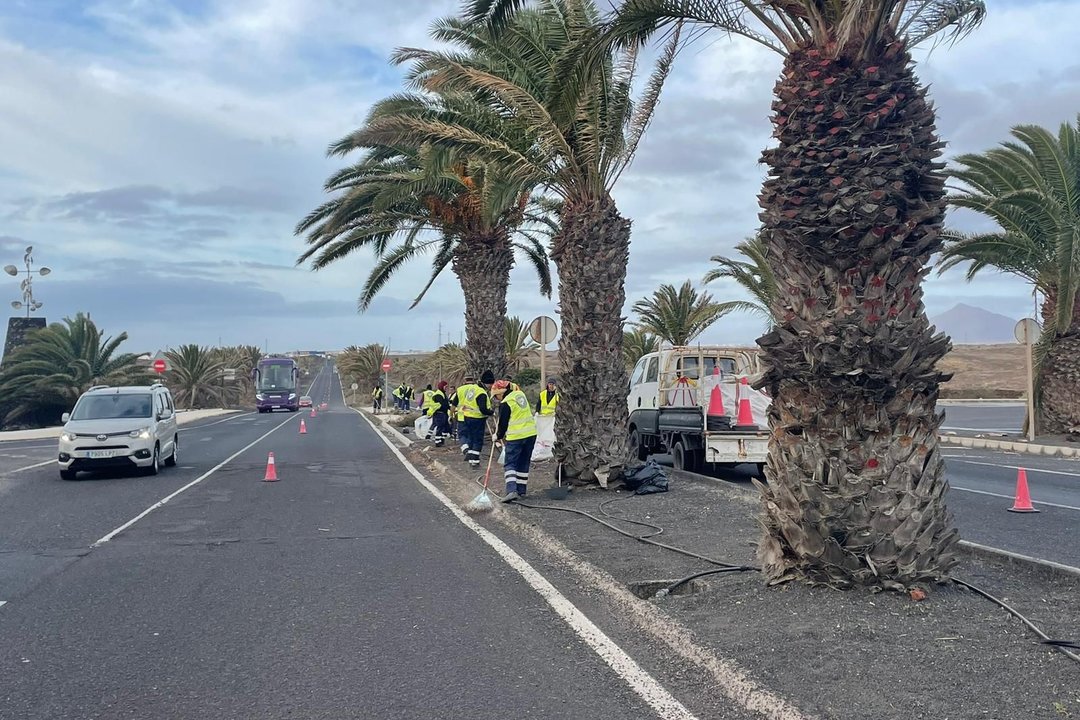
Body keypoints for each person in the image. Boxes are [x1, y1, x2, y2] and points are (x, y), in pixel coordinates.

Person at [491, 378, 537, 502]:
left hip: (516, 437)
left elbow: (503, 423)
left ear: (501, 392)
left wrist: (498, 436)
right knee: (524, 462)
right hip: (531, 434)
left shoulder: (506, 402)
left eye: (496, 396)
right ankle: (521, 491)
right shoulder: (521, 394)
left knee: (510, 463)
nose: (497, 399)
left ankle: (512, 491)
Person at [458, 371, 494, 468]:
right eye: (491, 384)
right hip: (477, 419)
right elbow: (482, 409)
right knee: (477, 441)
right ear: (486, 383)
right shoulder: (481, 393)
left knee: (470, 439)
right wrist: (491, 412)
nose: (491, 387)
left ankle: (470, 459)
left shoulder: (473, 388)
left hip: (467, 417)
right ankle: (475, 462)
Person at [430, 381, 451, 447]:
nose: (446, 388)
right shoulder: (439, 394)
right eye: (445, 387)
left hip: (443, 413)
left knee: (446, 427)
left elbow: (446, 403)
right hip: (439, 413)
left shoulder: (442, 393)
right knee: (440, 427)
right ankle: (438, 442)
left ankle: (442, 439)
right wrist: (450, 407)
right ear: (442, 386)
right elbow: (443, 404)